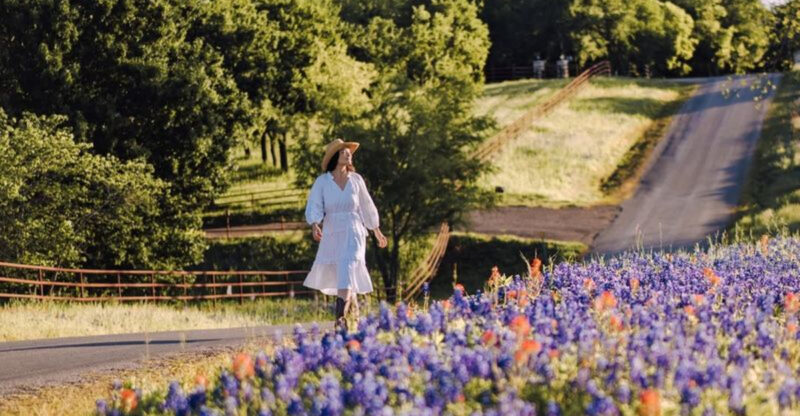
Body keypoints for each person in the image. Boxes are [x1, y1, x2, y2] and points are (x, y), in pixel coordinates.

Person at [303, 139, 388, 327]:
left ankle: (340, 319)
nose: (348, 154)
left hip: (353, 231)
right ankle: (349, 314)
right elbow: (314, 205)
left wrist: (376, 230)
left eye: (349, 152)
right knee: (342, 275)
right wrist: (315, 224)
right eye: (343, 152)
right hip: (332, 231)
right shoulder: (322, 182)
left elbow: (366, 205)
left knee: (348, 269)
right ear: (335, 156)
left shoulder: (356, 180)